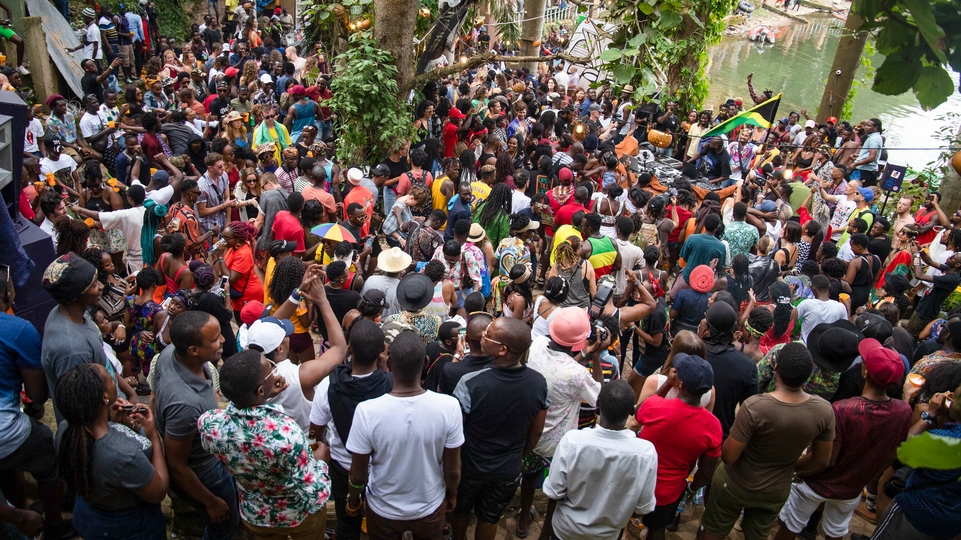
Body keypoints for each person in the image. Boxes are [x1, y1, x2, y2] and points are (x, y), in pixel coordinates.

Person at [773, 339, 912, 540]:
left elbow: (825, 459)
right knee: (836, 530)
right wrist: (864, 474)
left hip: (817, 483)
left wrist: (796, 468)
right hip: (853, 487)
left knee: (791, 523)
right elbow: (891, 454)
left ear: (865, 372)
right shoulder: (903, 411)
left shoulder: (843, 410)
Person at [698, 343, 835, 540]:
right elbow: (822, 460)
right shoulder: (824, 411)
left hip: (736, 482)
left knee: (713, 530)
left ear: (776, 367)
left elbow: (728, 456)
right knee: (758, 534)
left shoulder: (756, 406)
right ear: (810, 375)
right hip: (777, 489)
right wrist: (790, 466)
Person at [199, 349, 331, 539]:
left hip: (255, 514)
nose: (276, 371)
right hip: (297, 516)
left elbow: (241, 424)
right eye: (271, 369)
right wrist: (320, 463)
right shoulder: (286, 434)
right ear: (260, 389)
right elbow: (316, 495)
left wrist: (262, 397)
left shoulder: (210, 424)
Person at [344, 331, 463, 539]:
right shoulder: (448, 406)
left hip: (383, 509)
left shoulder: (367, 411)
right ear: (426, 362)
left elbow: (357, 474)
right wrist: (451, 493)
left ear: (389, 363)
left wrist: (353, 498)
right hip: (429, 506)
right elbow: (453, 470)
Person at [450, 317, 547, 540]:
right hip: (508, 469)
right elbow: (536, 431)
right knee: (489, 516)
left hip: (470, 467)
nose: (483, 335)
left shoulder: (470, 382)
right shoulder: (538, 382)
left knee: (461, 510)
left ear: (502, 350)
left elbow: (455, 432)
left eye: (488, 334)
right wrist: (518, 455)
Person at [518, 308, 607, 537]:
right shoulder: (577, 374)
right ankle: (547, 532)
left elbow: (557, 368)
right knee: (557, 489)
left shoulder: (536, 345)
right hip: (559, 444)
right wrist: (595, 357)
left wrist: (584, 355)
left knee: (529, 477)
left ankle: (523, 520)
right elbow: (600, 397)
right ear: (580, 340)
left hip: (532, 434)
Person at [54, 363, 168, 540]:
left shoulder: (66, 430)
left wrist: (114, 423)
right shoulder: (124, 455)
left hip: (89, 515)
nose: (115, 381)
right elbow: (159, 492)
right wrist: (153, 436)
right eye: (110, 379)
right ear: (105, 397)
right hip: (128, 527)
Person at [152, 310, 239, 540]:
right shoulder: (185, 405)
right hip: (207, 475)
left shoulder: (171, 351)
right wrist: (211, 501)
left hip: (211, 459)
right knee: (224, 525)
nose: (222, 340)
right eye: (215, 339)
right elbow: (177, 465)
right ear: (193, 350)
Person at [0, 269, 71, 540]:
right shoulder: (17, 329)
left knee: (9, 466)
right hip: (6, 430)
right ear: (8, 294)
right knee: (45, 449)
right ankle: (53, 525)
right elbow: (38, 395)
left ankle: (16, 509)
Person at [542, 381, 658, 540]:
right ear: (632, 411)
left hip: (566, 530)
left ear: (596, 406)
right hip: (608, 535)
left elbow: (554, 491)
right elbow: (643, 507)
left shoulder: (573, 441)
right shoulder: (645, 453)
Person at [308, 319, 391, 540]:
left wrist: (320, 442)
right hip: (382, 469)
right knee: (381, 521)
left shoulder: (329, 384)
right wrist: (385, 370)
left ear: (350, 349)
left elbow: (315, 428)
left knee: (347, 521)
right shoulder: (393, 386)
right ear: (383, 350)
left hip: (343, 465)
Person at [632, 353, 722, 540]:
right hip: (670, 492)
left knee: (620, 523)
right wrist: (690, 489)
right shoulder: (713, 426)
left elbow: (638, 412)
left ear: (680, 384)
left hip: (636, 482)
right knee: (657, 530)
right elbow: (705, 473)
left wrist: (666, 385)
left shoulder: (657, 407)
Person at [41, 254, 135, 422]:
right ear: (75, 295)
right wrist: (120, 418)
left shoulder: (77, 313)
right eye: (93, 285)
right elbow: (83, 409)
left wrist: (130, 392)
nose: (100, 287)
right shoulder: (72, 350)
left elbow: (103, 361)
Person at [673, 213, 726, 297]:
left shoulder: (691, 238)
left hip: (687, 277)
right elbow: (719, 268)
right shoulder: (721, 247)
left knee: (673, 298)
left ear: (704, 224)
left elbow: (684, 257)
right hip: (704, 283)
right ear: (717, 228)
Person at [360, 247, 411, 319]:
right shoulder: (404, 288)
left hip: (371, 320)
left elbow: (362, 300)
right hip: (393, 324)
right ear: (402, 269)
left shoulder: (371, 280)